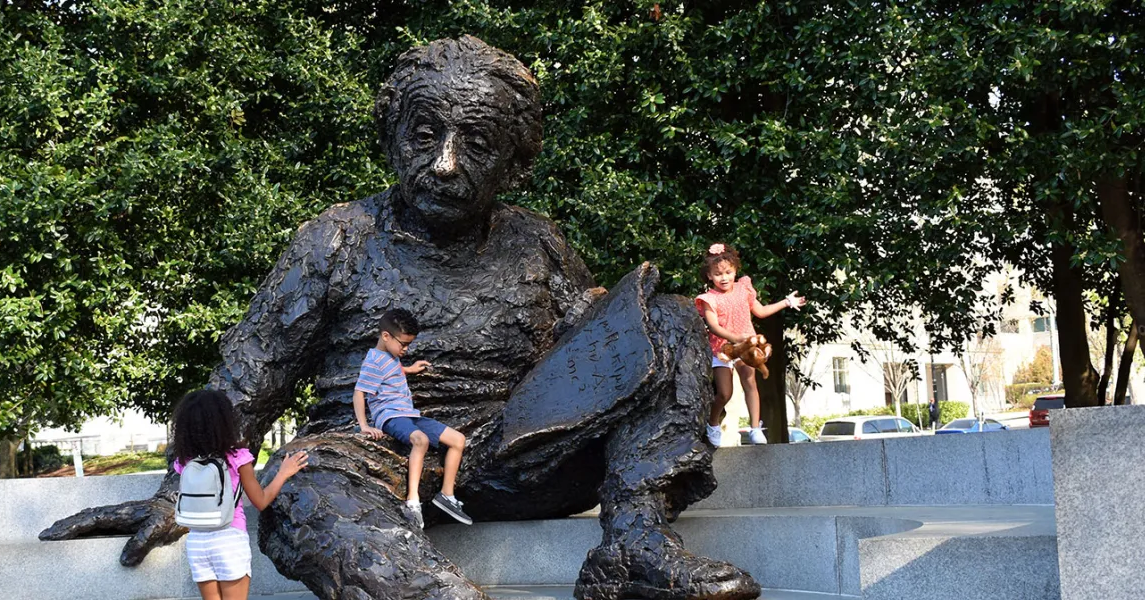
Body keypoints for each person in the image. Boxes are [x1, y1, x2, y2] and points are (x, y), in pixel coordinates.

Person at [43, 36, 763, 600]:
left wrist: (678, 348)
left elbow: (600, 351)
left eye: (476, 144)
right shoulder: (337, 237)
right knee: (300, 489)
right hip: (368, 457)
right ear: (392, 140)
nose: (445, 165)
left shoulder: (535, 238)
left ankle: (633, 547)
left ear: (514, 164)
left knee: (666, 317)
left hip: (519, 455)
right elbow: (249, 374)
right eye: (425, 136)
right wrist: (183, 486)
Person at [172, 389, 308, 600]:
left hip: (197, 542)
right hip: (229, 539)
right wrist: (283, 473)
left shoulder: (184, 461)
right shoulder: (237, 458)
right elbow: (261, 502)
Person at [354, 308, 472, 529]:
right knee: (421, 440)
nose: (406, 349)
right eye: (403, 344)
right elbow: (359, 392)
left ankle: (446, 495)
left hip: (409, 415)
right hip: (390, 416)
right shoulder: (372, 361)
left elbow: (391, 372)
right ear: (386, 336)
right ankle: (412, 502)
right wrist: (364, 425)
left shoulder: (389, 356)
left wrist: (408, 369)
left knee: (458, 440)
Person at [695, 243, 806, 447]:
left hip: (747, 347)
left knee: (750, 383)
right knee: (724, 393)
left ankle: (755, 428)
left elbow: (761, 311)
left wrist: (786, 302)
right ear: (710, 276)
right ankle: (712, 423)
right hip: (722, 349)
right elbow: (714, 327)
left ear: (736, 270)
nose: (724, 277)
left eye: (728, 272)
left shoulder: (743, 289)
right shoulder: (709, 299)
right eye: (718, 274)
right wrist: (736, 338)